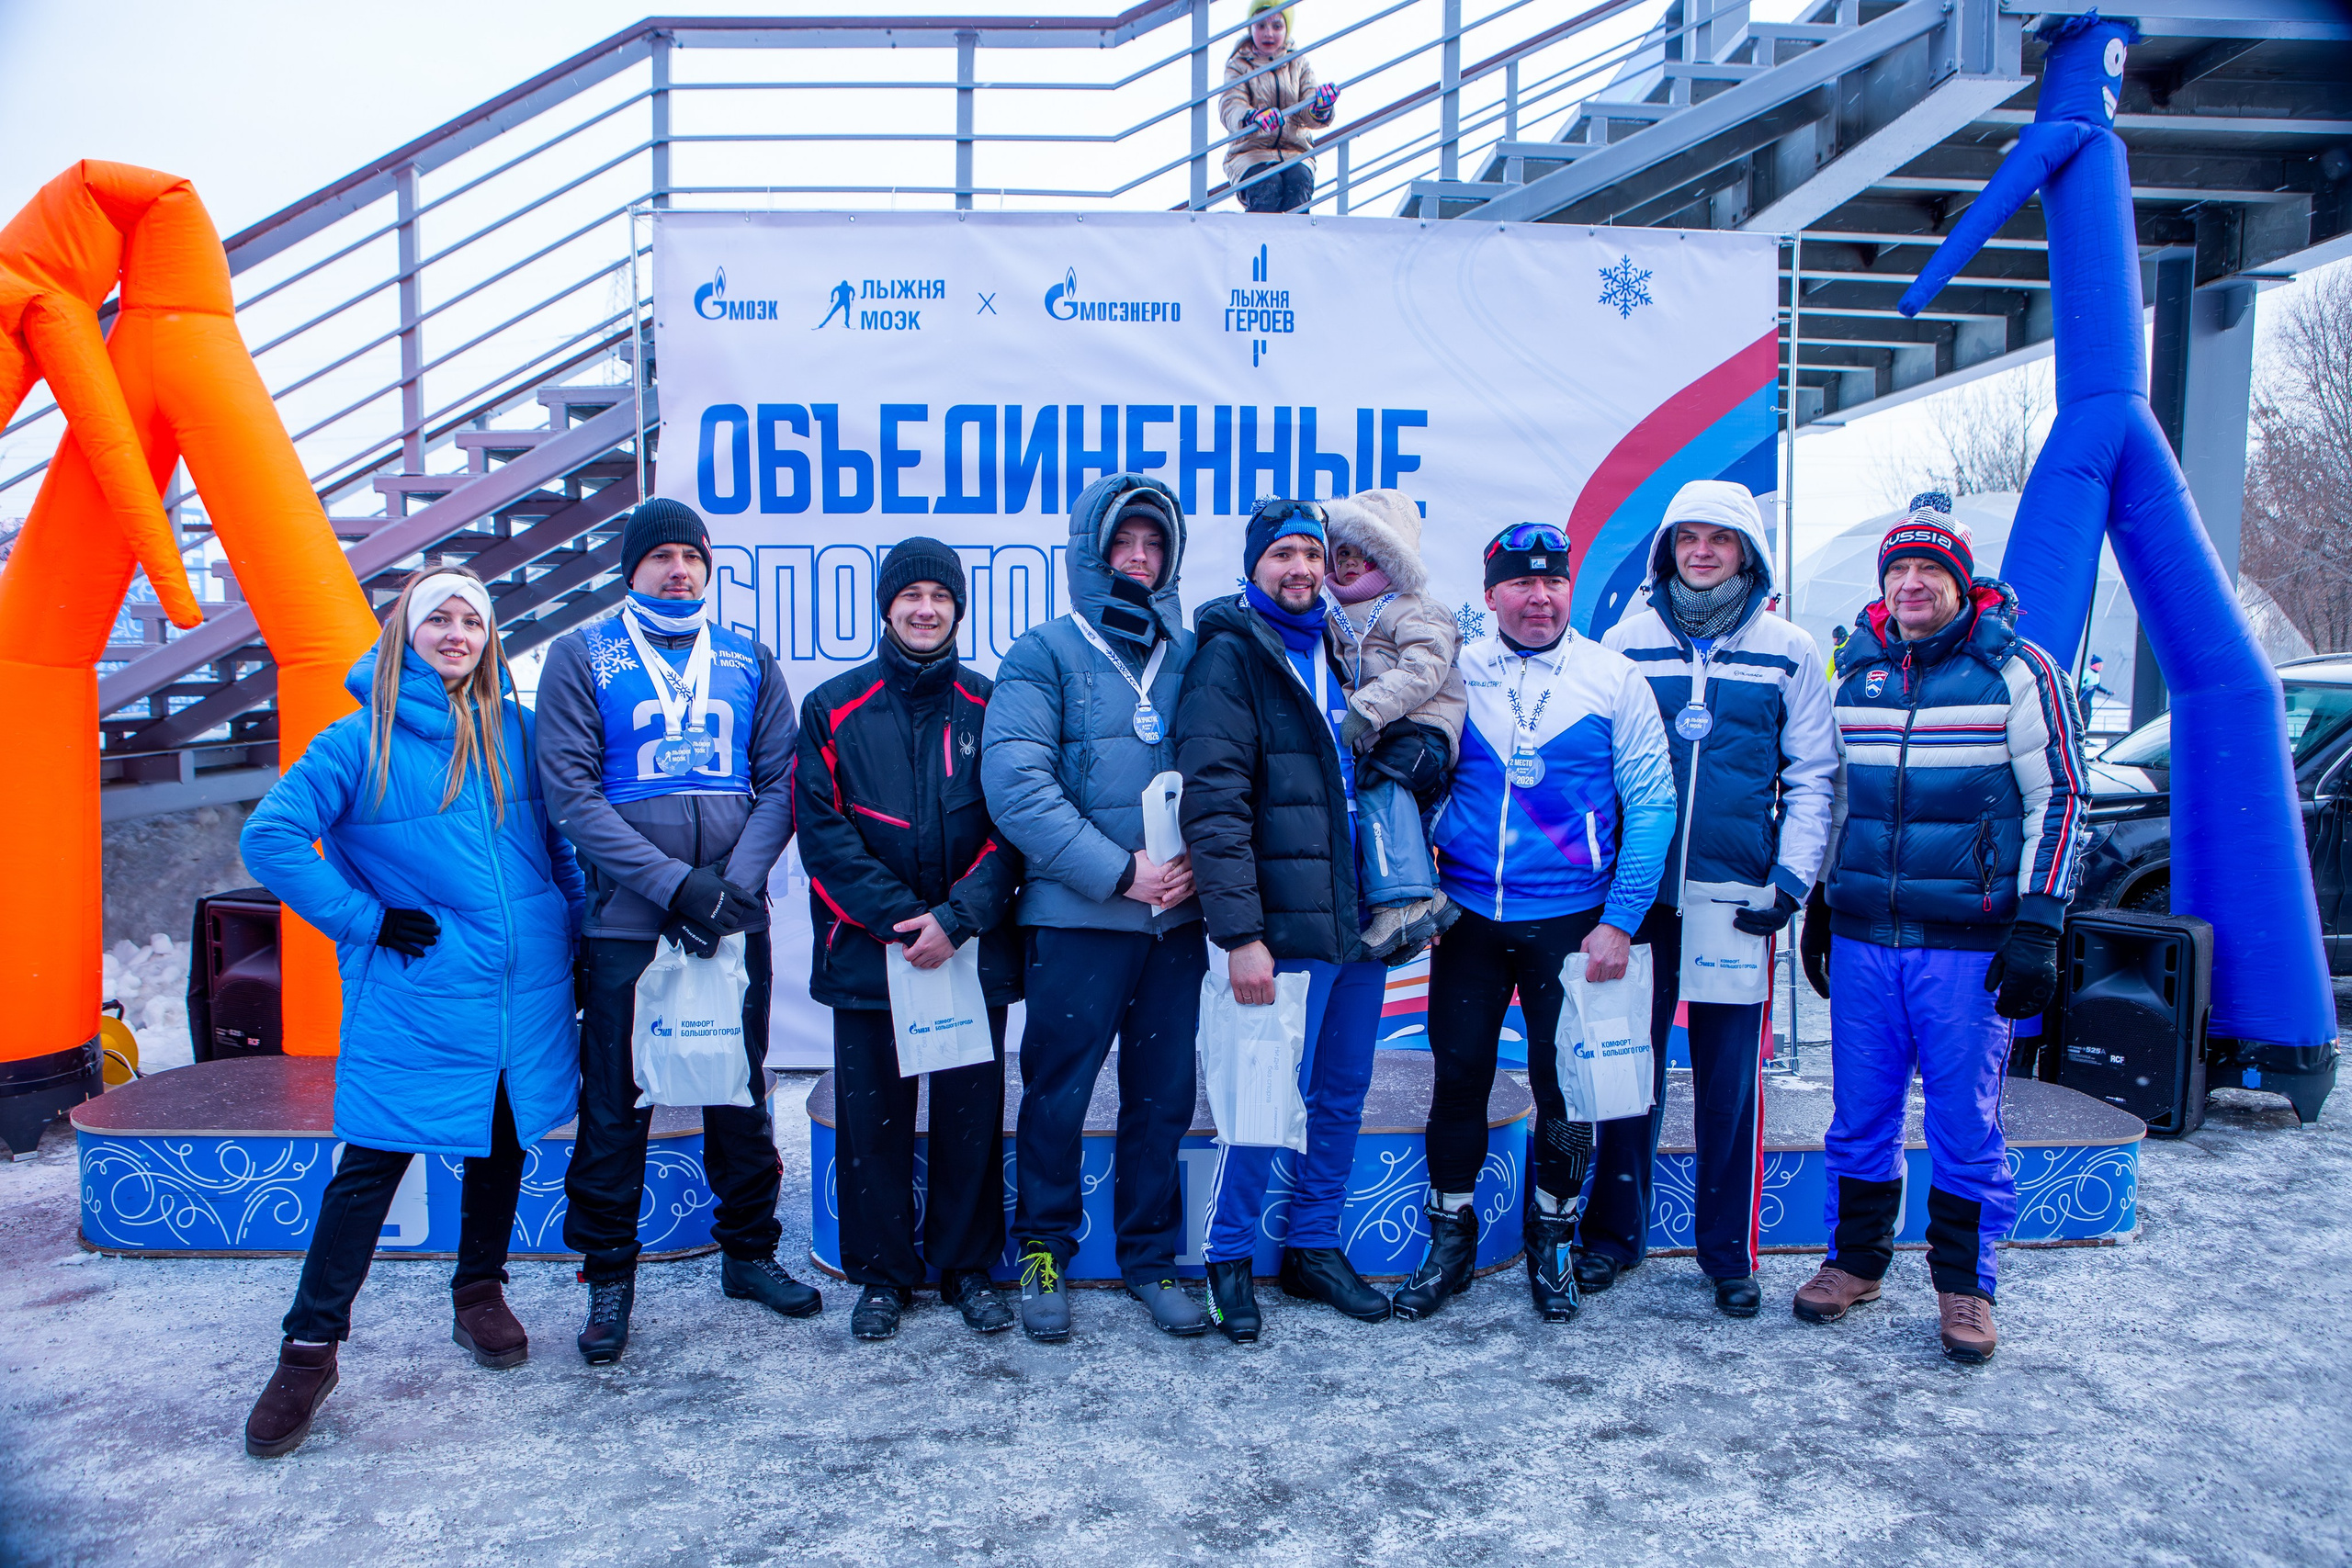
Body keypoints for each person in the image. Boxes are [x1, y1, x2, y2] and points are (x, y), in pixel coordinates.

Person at [239, 566, 585, 1458]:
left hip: (523, 990)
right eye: (440, 619)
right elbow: (269, 837)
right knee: (370, 1168)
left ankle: (479, 1293)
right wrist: (363, 919)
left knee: (503, 1143)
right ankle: (308, 1350)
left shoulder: (518, 729)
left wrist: (577, 934)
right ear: (406, 632)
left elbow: (558, 850)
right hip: (420, 994)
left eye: (473, 620)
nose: (457, 633)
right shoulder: (359, 741)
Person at [1795, 491, 2088, 1364]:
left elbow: (2061, 796)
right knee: (1860, 1112)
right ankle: (1856, 1261)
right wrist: (1824, 900)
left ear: (1962, 583)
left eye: (1931, 568)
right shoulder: (1857, 672)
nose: (1912, 584)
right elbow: (1836, 799)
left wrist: (2040, 922)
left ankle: (1966, 1283)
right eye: (1899, 569)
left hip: (1968, 943)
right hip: (1866, 938)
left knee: (1965, 1122)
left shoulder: (2018, 670)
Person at [537, 497, 820, 1362]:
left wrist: (728, 889)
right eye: (660, 555)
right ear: (632, 568)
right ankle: (608, 1276)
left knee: (739, 1090)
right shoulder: (582, 653)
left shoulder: (745, 656)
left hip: (730, 918)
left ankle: (749, 1252)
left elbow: (782, 781)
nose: (678, 570)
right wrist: (675, 887)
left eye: (692, 556)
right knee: (617, 1103)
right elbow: (572, 795)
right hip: (629, 922)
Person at [1394, 523, 1678, 1324]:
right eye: (1522, 582)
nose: (1541, 596)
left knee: (1567, 1092)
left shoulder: (1612, 677)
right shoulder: (1455, 669)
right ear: (1491, 595)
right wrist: (1418, 894)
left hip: (1575, 922)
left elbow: (1653, 804)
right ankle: (1450, 1237)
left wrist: (1620, 921)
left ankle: (1552, 1235)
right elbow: (1411, 784)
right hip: (1469, 917)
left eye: (1554, 581)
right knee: (1459, 1079)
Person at [1590, 481, 1838, 1316]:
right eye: (1687, 537)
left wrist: (1792, 881)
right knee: (1629, 1069)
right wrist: (1605, 885)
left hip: (1737, 895)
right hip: (1641, 895)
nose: (1702, 552)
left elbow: (1813, 776)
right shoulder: (1625, 642)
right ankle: (1613, 1236)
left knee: (1730, 1084)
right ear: (1666, 550)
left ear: (1747, 552)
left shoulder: (1789, 650)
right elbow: (1600, 763)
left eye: (1720, 539)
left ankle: (1728, 1253)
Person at [981, 474, 1207, 1343]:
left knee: (1164, 1095)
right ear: (1091, 553)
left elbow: (1226, 772)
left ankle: (1150, 1255)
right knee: (1058, 1091)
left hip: (1175, 921)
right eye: (1123, 543)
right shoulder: (1044, 651)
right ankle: (1043, 1248)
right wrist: (1119, 872)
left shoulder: (1190, 653)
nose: (1139, 558)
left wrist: (1197, 867)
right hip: (1080, 916)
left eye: (1154, 543)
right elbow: (1018, 787)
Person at [1175, 497, 1396, 1342]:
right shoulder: (1229, 656)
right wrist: (1240, 935)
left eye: (1312, 553)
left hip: (1356, 915)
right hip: (1279, 927)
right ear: (1253, 567)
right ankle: (1228, 1255)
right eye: (1283, 555)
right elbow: (1215, 806)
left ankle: (1313, 1244)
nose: (1301, 568)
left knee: (1340, 1093)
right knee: (1264, 1096)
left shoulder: (1337, 648)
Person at [796, 539, 1023, 1342]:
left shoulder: (994, 704)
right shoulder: (832, 706)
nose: (926, 609)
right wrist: (904, 923)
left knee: (970, 1116)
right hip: (870, 955)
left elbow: (1015, 825)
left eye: (940, 596)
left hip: (968, 951)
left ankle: (967, 1267)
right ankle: (882, 1274)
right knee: (874, 1123)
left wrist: (956, 919)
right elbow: (822, 835)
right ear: (886, 606)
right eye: (911, 595)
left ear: (958, 608)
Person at [1321, 489, 1467, 960]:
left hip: (1424, 724)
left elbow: (1425, 667)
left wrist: (1366, 709)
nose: (1349, 563)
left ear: (1390, 557)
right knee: (1390, 805)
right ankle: (1425, 901)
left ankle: (1399, 903)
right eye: (1342, 552)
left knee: (1381, 786)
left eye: (1363, 554)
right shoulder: (1338, 618)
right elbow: (1343, 678)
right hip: (1382, 727)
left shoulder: (1415, 606)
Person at [1220, 0, 1338, 214]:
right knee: (1268, 187)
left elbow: (1308, 101)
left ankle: (1295, 236)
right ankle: (1258, 235)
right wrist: (1252, 116)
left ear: (1287, 29)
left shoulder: (1299, 63)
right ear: (1251, 27)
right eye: (1261, 25)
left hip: (1295, 151)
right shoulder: (1239, 65)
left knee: (1298, 184)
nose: (1268, 33)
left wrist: (1320, 107)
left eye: (1277, 26)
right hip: (1250, 152)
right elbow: (1231, 104)